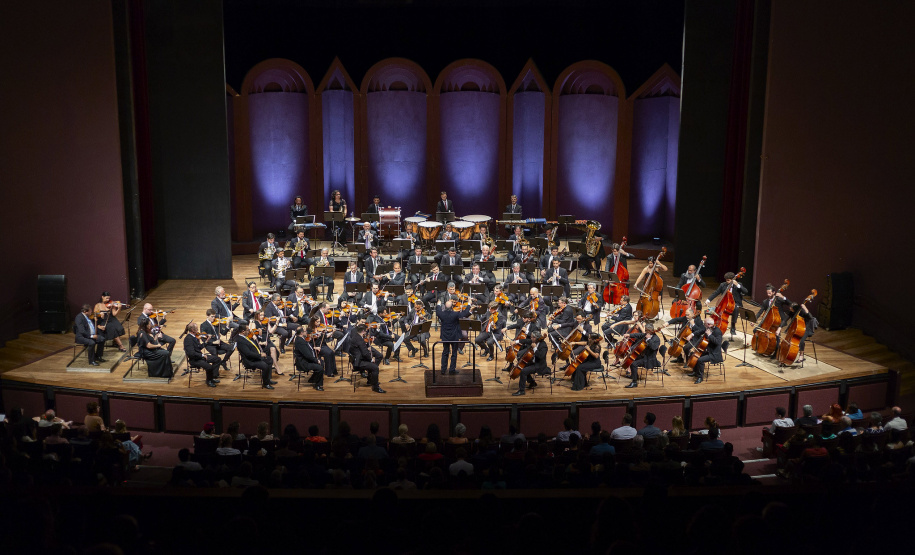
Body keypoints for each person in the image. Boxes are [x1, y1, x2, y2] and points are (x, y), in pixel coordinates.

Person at [436, 294, 472, 374]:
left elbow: (438, 309)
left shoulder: (441, 314)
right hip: (454, 336)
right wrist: (469, 304)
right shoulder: (455, 314)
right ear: (452, 307)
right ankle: (452, 370)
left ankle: (443, 370)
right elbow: (465, 313)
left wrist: (438, 304)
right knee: (454, 353)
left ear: (445, 307)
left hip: (445, 336)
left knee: (445, 352)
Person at [233, 323, 276, 389]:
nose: (249, 331)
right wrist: (260, 355)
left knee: (269, 360)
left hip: (255, 357)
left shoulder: (246, 337)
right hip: (250, 361)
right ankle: (265, 384)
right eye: (248, 330)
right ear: (243, 331)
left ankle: (268, 379)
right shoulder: (240, 341)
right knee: (264, 365)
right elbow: (248, 353)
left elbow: (253, 346)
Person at [705, 272, 748, 337]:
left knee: (736, 308)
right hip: (725, 303)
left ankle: (733, 326)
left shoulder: (738, 285)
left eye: (728, 280)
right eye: (726, 280)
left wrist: (737, 285)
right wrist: (708, 300)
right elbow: (716, 293)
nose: (727, 282)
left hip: (735, 303)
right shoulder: (723, 285)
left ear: (733, 279)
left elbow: (746, 291)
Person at [623, 321, 662, 388]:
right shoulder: (646, 334)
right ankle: (634, 375)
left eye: (646, 330)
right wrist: (629, 335)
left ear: (650, 331)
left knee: (633, 364)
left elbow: (653, 347)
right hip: (643, 356)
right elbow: (638, 335)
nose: (645, 332)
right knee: (631, 359)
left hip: (649, 359)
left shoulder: (656, 339)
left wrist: (649, 339)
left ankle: (634, 382)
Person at [685, 316, 724, 384]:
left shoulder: (717, 331)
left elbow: (718, 342)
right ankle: (695, 372)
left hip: (714, 354)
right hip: (708, 351)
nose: (703, 324)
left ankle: (700, 377)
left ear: (708, 324)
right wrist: (692, 334)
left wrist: (710, 335)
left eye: (704, 323)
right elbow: (700, 331)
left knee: (700, 360)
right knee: (695, 354)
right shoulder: (708, 329)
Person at [349, 323, 385, 393]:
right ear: (363, 331)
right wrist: (371, 359)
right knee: (375, 367)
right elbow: (365, 353)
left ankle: (371, 378)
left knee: (374, 364)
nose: (366, 332)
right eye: (365, 331)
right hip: (358, 362)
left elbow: (363, 351)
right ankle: (375, 387)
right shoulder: (359, 340)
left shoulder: (356, 336)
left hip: (358, 358)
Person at [183, 322, 220, 387]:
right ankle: (208, 381)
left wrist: (206, 341)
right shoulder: (188, 339)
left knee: (217, 359)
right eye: (197, 329)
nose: (198, 331)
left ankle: (212, 377)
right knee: (209, 367)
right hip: (194, 360)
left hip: (200, 357)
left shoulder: (195, 337)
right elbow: (192, 354)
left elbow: (199, 347)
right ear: (193, 330)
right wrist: (202, 355)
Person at [512, 331, 549, 396]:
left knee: (523, 371)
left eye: (532, 337)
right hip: (533, 362)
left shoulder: (543, 345)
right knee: (522, 367)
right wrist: (515, 342)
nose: (531, 338)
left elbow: (540, 356)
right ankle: (532, 382)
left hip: (539, 365)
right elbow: (525, 340)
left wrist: (535, 348)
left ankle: (521, 390)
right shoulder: (533, 341)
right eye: (531, 337)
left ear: (537, 338)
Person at [292, 326, 324, 391]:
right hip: (303, 363)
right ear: (301, 333)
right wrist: (316, 360)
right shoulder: (300, 342)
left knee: (322, 363)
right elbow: (307, 355)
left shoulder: (301, 339)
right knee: (320, 368)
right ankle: (317, 385)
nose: (306, 332)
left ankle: (312, 379)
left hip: (306, 360)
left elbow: (307, 347)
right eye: (305, 331)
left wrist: (314, 348)